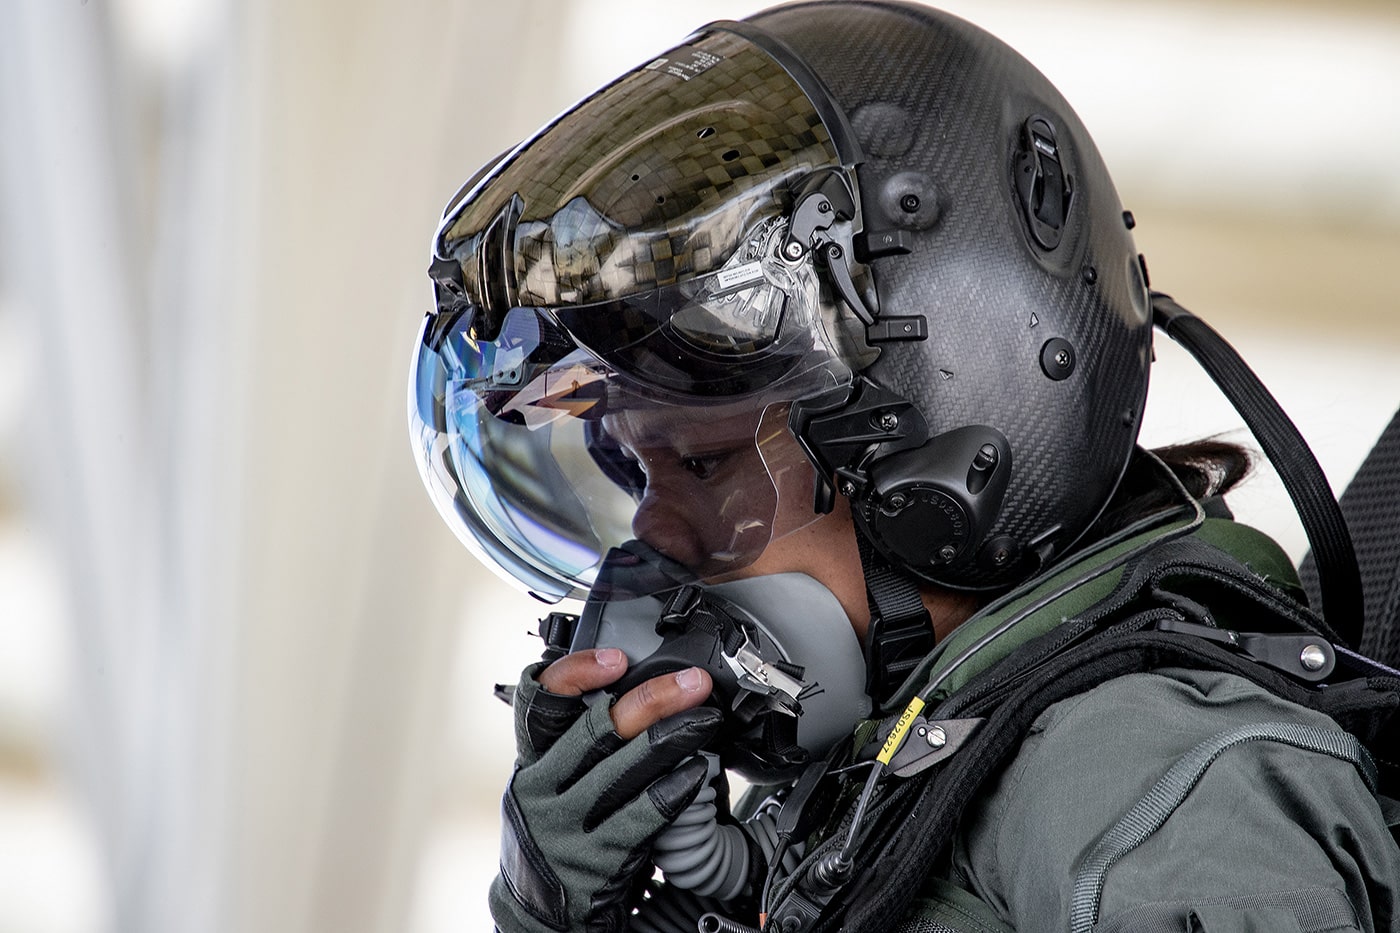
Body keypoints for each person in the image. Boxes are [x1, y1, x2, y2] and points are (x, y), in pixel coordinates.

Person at [408, 3, 1400, 931]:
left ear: (942, 462)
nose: (653, 533)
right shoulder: (886, 785)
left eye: (704, 465)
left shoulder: (1148, 788)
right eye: (635, 471)